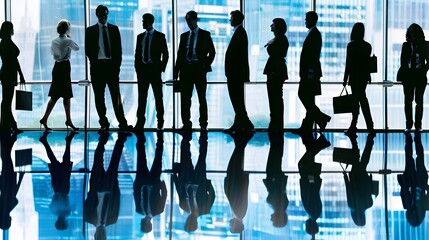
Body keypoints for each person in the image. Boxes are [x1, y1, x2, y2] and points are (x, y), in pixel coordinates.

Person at [85, 5, 132, 132]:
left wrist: (116, 67)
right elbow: (88, 50)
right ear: (97, 15)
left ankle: (122, 123)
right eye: (101, 14)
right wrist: (95, 63)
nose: (103, 17)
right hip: (97, 68)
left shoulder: (114, 29)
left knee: (116, 96)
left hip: (111, 67)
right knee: (99, 97)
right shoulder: (89, 31)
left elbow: (119, 50)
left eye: (105, 14)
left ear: (108, 14)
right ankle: (104, 123)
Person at [173, 10, 216, 132]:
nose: (189, 22)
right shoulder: (184, 36)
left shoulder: (205, 34)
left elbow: (212, 52)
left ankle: (203, 124)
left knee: (202, 97)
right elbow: (180, 55)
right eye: (187, 20)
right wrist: (176, 71)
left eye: (190, 20)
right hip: (186, 69)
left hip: (198, 69)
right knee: (185, 99)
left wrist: (205, 65)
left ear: (196, 20)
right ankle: (186, 124)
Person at [293, 11, 330, 134]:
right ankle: (307, 126)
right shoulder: (313, 33)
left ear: (311, 20)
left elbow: (313, 55)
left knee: (303, 94)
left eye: (306, 19)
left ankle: (321, 118)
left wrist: (310, 71)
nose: (305, 21)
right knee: (308, 97)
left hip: (310, 73)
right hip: (310, 72)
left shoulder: (314, 34)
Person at [40, 19, 79, 132]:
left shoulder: (53, 41)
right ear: (67, 29)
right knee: (66, 95)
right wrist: (70, 40)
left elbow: (53, 53)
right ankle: (68, 120)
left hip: (56, 67)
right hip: (65, 67)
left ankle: (45, 118)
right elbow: (77, 48)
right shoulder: (68, 40)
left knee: (55, 95)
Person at [134, 13, 169, 132]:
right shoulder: (140, 37)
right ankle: (140, 123)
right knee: (142, 98)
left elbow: (166, 54)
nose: (142, 23)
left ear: (150, 22)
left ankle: (160, 122)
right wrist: (138, 70)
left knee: (158, 97)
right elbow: (137, 55)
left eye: (144, 21)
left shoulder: (160, 36)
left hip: (154, 71)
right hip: (143, 71)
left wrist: (161, 68)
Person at [39, 131, 77, 230]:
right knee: (55, 161)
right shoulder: (54, 211)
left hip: (64, 189)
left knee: (65, 162)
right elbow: (54, 198)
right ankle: (45, 142)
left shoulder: (67, 212)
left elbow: (67, 199)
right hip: (57, 187)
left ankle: (68, 141)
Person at [223, 10, 254, 133]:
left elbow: (238, 57)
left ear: (236, 19)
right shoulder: (239, 32)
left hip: (236, 75)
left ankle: (246, 124)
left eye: (231, 18)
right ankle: (243, 124)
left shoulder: (240, 33)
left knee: (237, 100)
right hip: (236, 74)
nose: (230, 20)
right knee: (238, 101)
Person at [342, 22, 374, 135]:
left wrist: (345, 79)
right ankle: (370, 126)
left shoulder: (351, 46)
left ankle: (354, 125)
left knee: (356, 101)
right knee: (362, 100)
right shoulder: (367, 46)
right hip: (363, 77)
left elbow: (349, 64)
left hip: (354, 77)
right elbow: (367, 64)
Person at [133, 132, 167, 233]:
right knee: (157, 157)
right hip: (153, 180)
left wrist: (137, 183)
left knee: (141, 157)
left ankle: (141, 137)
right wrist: (160, 184)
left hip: (143, 180)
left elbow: (136, 194)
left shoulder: (139, 210)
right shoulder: (158, 210)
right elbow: (164, 195)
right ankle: (160, 137)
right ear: (147, 224)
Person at [400, 23, 429, 132]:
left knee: (419, 101)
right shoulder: (406, 45)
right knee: (408, 101)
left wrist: (423, 71)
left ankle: (418, 125)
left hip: (420, 75)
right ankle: (408, 125)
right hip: (408, 76)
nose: (413, 35)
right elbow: (403, 62)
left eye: (415, 33)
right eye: (411, 33)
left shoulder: (425, 45)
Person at [264, 18, 289, 133]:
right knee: (275, 99)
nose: (271, 26)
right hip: (275, 71)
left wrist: (270, 44)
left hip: (275, 72)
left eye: (273, 25)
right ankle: (275, 123)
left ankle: (276, 124)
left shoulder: (280, 39)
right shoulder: (279, 39)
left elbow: (276, 55)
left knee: (275, 99)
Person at [0, 21, 25, 133]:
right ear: (9, 30)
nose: (13, 30)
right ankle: (12, 126)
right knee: (7, 102)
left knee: (6, 101)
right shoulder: (7, 43)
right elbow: (14, 61)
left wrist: (20, 74)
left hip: (6, 74)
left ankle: (5, 126)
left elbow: (13, 60)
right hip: (9, 74)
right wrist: (21, 74)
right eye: (12, 28)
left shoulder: (4, 42)